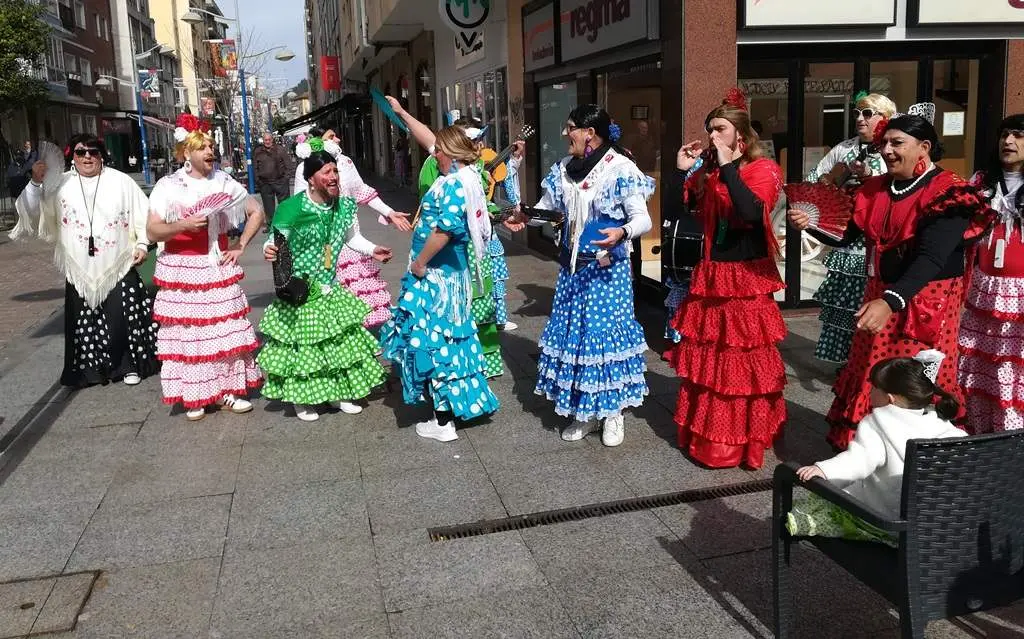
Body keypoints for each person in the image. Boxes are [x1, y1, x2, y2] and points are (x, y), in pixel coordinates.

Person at [789, 110, 991, 449]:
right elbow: (846, 234)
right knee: (875, 371)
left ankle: (916, 452)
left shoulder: (949, 192)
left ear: (923, 147)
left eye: (897, 143)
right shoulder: (874, 189)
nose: (887, 150)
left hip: (926, 303)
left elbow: (931, 258)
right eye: (884, 143)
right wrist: (810, 225)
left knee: (914, 378)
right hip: (880, 296)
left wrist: (891, 301)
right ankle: (869, 448)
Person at [666, 89, 787, 469]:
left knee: (742, 361)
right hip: (713, 274)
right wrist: (685, 172)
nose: (713, 136)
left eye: (720, 129)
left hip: (746, 276)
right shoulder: (711, 171)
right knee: (711, 359)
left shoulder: (764, 169)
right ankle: (710, 438)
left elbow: (752, 213)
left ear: (740, 134)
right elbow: (679, 210)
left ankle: (741, 442)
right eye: (710, 129)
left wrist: (728, 166)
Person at [524, 104, 654, 447]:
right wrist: (523, 217)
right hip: (572, 269)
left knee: (604, 339)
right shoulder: (565, 169)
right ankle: (585, 412)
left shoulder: (620, 169)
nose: (566, 134)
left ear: (589, 133)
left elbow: (643, 219)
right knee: (578, 340)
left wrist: (622, 233)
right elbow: (549, 210)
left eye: (571, 128)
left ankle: (613, 415)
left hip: (606, 272)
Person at [379, 126, 501, 442]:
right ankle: (449, 409)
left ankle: (443, 419)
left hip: (438, 277)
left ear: (449, 152)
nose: (434, 155)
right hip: (446, 275)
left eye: (438, 151)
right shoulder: (464, 178)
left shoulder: (456, 184)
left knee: (435, 342)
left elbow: (445, 230)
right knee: (447, 341)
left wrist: (419, 263)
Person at [388, 98, 525, 378]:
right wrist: (402, 112)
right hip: (450, 253)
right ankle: (463, 366)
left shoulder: (464, 176)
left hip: (458, 256)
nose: (481, 146)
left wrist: (503, 217)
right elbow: (428, 137)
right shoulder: (453, 168)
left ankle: (462, 369)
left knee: (467, 309)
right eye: (477, 140)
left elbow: (465, 218)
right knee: (460, 311)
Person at [11, 134, 158, 387]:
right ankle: (92, 371)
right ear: (72, 157)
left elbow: (145, 215)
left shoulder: (121, 182)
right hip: (79, 264)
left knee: (121, 316)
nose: (87, 156)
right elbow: (30, 210)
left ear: (102, 155)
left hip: (119, 260)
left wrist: (143, 244)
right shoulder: (59, 183)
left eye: (93, 151)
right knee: (84, 321)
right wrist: (36, 182)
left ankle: (127, 365)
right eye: (81, 153)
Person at [146, 114, 264, 421]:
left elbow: (256, 212)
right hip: (182, 267)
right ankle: (194, 394)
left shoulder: (224, 182)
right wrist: (183, 224)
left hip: (216, 265)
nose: (210, 151)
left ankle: (227, 390)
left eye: (211, 146)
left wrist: (240, 246)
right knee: (190, 334)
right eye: (202, 147)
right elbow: (152, 231)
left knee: (222, 332)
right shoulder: (168, 186)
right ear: (186, 152)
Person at [259, 151, 390, 422]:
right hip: (299, 288)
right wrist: (269, 249)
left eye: (335, 171)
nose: (333, 177)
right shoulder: (292, 208)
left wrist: (373, 249)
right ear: (310, 179)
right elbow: (274, 241)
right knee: (305, 346)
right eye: (326, 172)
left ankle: (336, 393)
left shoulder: (343, 206)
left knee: (335, 342)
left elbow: (352, 238)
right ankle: (302, 398)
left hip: (330, 283)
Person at [788, 353, 965, 544]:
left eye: (874, 387)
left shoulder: (878, 423)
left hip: (887, 522)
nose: (870, 391)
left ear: (889, 398)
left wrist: (823, 469)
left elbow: (858, 462)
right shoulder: (941, 423)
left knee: (812, 509)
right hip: (930, 527)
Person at [803, 93, 898, 365]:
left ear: (884, 118)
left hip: (879, 242)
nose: (860, 119)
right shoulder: (843, 148)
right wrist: (832, 185)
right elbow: (815, 180)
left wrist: (870, 177)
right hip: (850, 240)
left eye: (868, 113)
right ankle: (848, 364)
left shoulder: (893, 149)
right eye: (858, 113)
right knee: (846, 306)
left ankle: (874, 362)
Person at [292, 132, 411, 328]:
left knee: (357, 291)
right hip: (324, 247)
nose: (337, 138)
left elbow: (361, 191)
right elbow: (296, 209)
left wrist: (389, 213)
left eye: (334, 172)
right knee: (328, 292)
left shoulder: (345, 163)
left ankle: (356, 339)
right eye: (331, 135)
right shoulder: (304, 167)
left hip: (349, 240)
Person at [959, 115, 1024, 432]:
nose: (1008, 141)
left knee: (1014, 365)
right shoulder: (981, 182)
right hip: (984, 285)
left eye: (1019, 135)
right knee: (979, 360)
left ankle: (1013, 433)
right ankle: (982, 432)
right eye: (1004, 134)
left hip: (1021, 292)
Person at [253, 132, 291, 231]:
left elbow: (288, 164)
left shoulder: (280, 149)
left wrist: (286, 178)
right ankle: (270, 226)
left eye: (269, 139)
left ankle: (285, 223)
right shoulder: (258, 151)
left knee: (284, 204)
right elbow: (255, 167)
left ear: (272, 139)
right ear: (263, 140)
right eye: (265, 140)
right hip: (265, 183)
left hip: (280, 181)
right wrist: (258, 180)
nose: (267, 142)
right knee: (268, 207)